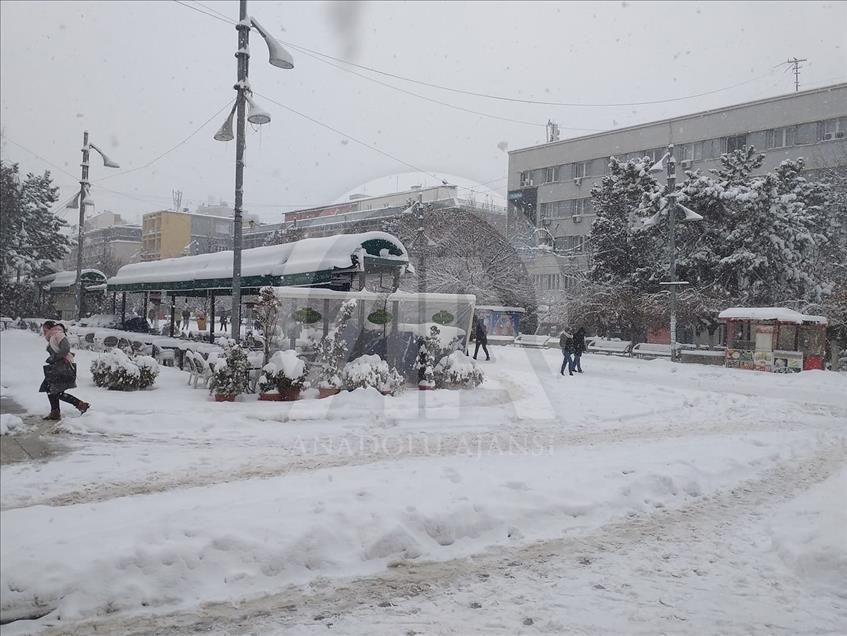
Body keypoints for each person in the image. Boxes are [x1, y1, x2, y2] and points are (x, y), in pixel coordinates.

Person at [39, 321, 89, 420]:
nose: (44, 332)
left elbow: (65, 348)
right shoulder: (53, 336)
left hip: (62, 366)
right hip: (56, 366)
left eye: (45, 330)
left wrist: (53, 358)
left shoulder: (58, 334)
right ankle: (55, 412)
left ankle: (80, 405)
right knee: (50, 389)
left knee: (55, 391)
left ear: (50, 328)